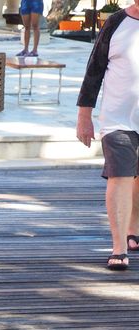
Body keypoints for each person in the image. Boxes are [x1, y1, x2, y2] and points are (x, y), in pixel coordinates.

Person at [77, 0, 139, 271]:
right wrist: (84, 117)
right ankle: (119, 247)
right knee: (121, 176)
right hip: (118, 120)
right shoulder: (115, 22)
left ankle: (133, 227)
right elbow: (94, 70)